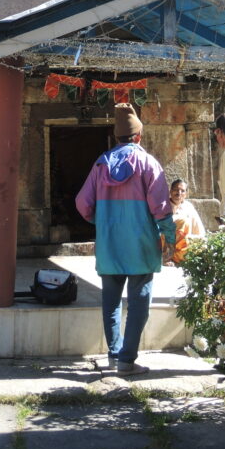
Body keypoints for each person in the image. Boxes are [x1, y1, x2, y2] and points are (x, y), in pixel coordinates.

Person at [75, 103, 175, 376]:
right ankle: (128, 361)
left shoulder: (100, 165)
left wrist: (102, 221)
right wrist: (170, 238)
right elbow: (162, 209)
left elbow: (82, 204)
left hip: (110, 245)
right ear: (139, 136)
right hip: (141, 246)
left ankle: (113, 356)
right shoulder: (148, 164)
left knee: (111, 302)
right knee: (139, 302)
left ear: (116, 137)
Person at [168, 178, 205, 264]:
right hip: (167, 244)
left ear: (186, 194)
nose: (179, 193)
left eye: (182, 191)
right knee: (183, 221)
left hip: (184, 244)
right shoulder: (163, 206)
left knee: (203, 246)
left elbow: (199, 230)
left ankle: (179, 256)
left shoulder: (188, 207)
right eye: (176, 190)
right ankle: (170, 256)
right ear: (170, 191)